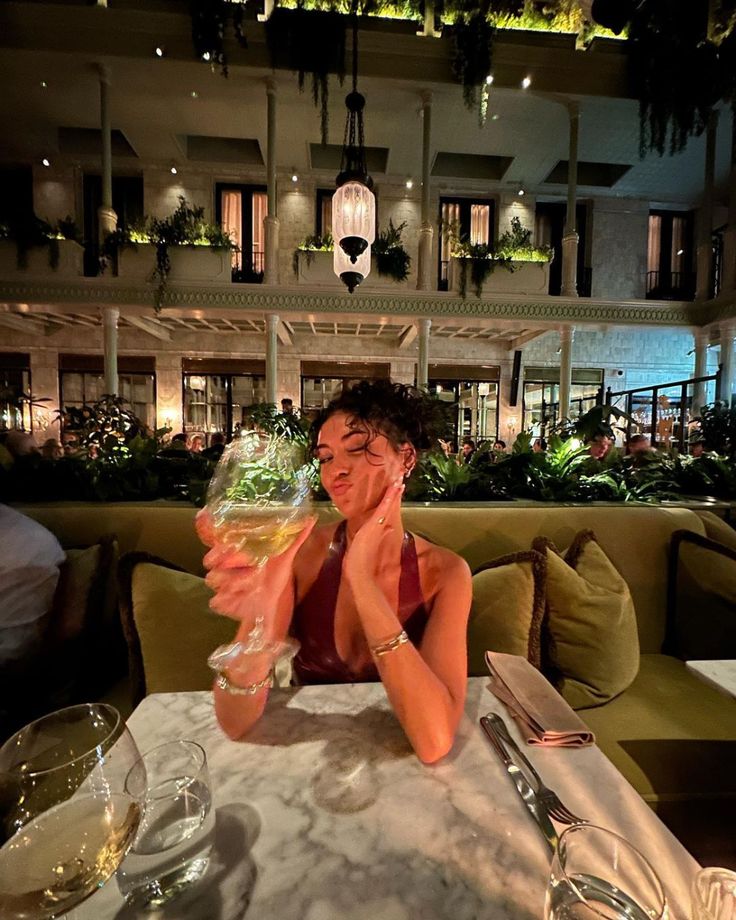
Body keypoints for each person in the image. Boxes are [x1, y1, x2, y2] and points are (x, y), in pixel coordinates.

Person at [197, 380, 472, 764]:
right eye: (325, 458)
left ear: (406, 458)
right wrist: (256, 624)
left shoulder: (446, 574)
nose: (336, 471)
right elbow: (236, 724)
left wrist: (361, 577)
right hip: (307, 763)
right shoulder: (298, 554)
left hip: (409, 781)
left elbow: (434, 742)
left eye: (357, 449)